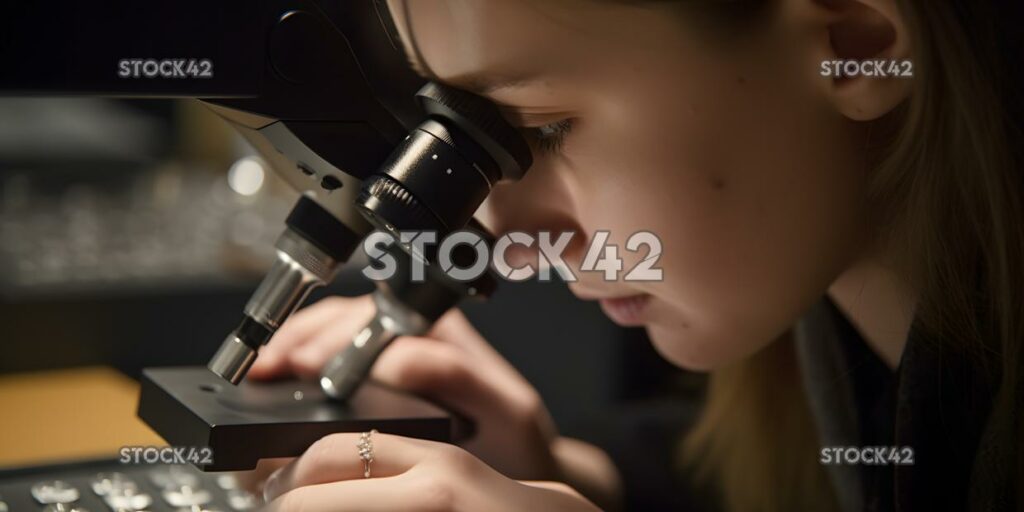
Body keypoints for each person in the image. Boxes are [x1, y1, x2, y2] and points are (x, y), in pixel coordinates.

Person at [242, 0, 1024, 510]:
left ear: (854, 42)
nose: (508, 244)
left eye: (545, 128)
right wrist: (565, 471)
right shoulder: (826, 350)